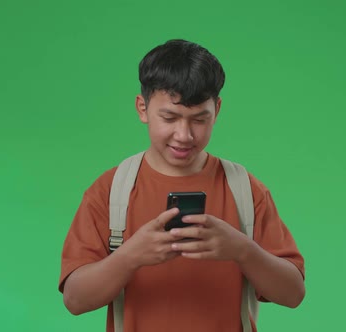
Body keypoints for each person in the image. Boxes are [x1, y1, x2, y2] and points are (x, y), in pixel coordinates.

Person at [59, 39, 305, 332]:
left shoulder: (245, 191)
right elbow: (75, 300)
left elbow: (293, 294)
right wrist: (129, 256)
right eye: (170, 117)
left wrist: (242, 250)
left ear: (217, 110)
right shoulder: (111, 190)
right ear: (142, 108)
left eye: (200, 119)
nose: (184, 135)